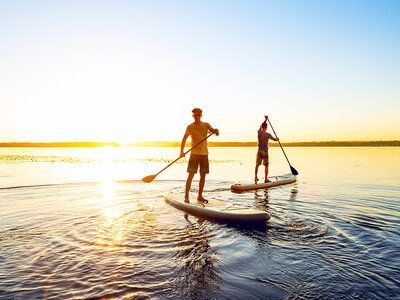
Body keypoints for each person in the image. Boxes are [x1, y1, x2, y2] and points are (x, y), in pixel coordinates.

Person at [180, 108, 219, 203]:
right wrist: (182, 151)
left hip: (204, 154)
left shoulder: (206, 125)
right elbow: (184, 139)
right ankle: (186, 197)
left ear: (201, 115)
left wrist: (216, 131)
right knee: (191, 175)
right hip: (194, 154)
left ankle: (200, 196)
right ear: (192, 116)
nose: (196, 117)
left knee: (203, 175)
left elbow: (215, 133)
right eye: (194, 115)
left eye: (198, 115)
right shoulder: (190, 127)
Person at [255, 116, 279, 183]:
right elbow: (274, 139)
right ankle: (266, 179)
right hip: (265, 151)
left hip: (259, 151)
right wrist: (277, 139)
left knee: (257, 164)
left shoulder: (259, 132)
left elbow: (260, 126)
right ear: (266, 127)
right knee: (266, 165)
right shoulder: (267, 134)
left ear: (262, 127)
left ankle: (255, 177)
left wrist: (265, 120)